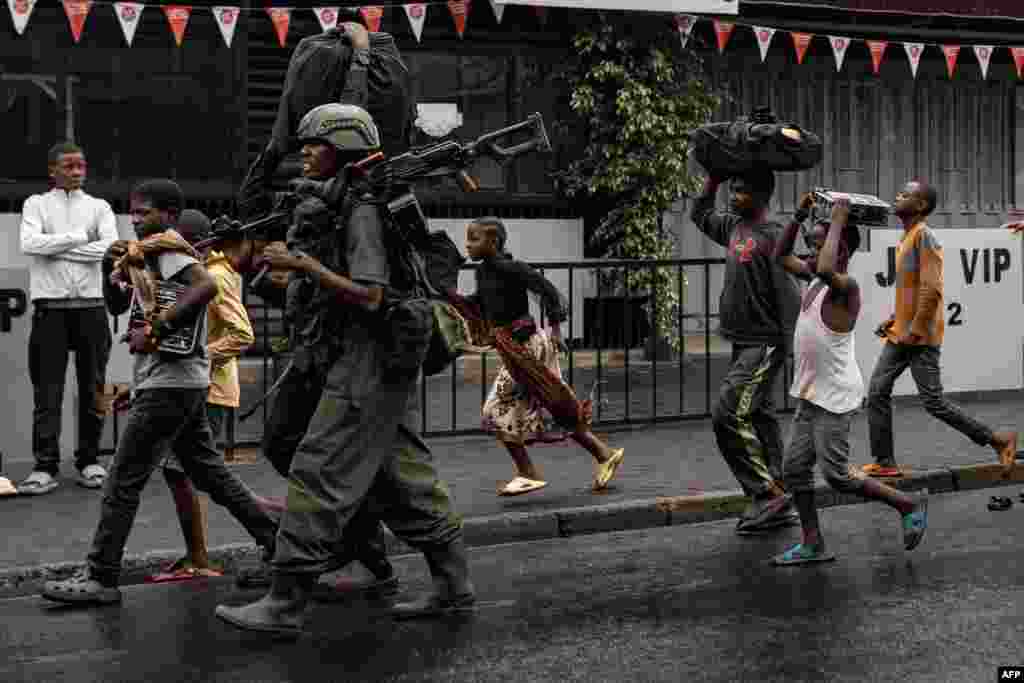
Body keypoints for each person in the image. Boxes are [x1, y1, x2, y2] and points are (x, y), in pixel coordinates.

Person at [215, 104, 474, 635]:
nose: (303, 153)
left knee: (321, 466)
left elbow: (371, 295)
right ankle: (452, 583)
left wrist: (304, 264)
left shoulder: (362, 208)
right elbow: (316, 291)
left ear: (343, 150)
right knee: (399, 475)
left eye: (315, 144)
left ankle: (285, 604)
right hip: (356, 352)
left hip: (373, 354)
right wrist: (258, 268)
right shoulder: (335, 202)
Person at [40, 179, 278, 605]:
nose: (134, 219)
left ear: (168, 216)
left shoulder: (168, 251)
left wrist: (158, 328)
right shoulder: (147, 258)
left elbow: (203, 289)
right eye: (131, 212)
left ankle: (101, 574)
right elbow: (117, 307)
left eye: (143, 212)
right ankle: (280, 546)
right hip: (176, 384)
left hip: (171, 384)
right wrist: (106, 266)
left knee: (123, 479)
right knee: (210, 474)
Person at [769, 196, 928, 565]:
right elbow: (780, 257)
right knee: (795, 470)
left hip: (835, 396)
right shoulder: (815, 278)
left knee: (837, 476)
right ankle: (813, 544)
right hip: (811, 394)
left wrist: (839, 218)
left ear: (841, 249)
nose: (812, 244)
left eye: (821, 241)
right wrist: (796, 216)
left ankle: (906, 503)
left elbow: (827, 266)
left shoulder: (846, 286)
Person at [456, 217, 624, 496]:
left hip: (530, 349)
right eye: (468, 239)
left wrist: (556, 330)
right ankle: (604, 454)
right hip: (516, 351)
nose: (468, 245)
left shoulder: (511, 268)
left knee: (493, 410)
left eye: (474, 239)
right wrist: (450, 296)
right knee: (555, 406)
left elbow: (546, 290)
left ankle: (528, 473)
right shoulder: (484, 272)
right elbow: (481, 302)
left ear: (493, 242)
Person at [863, 180, 1017, 478]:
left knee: (933, 402)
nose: (898, 196)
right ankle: (884, 462)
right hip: (902, 334)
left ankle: (998, 439)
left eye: (905, 194)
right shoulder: (907, 237)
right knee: (877, 392)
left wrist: (916, 329)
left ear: (920, 206)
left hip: (919, 337)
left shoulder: (925, 236)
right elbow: (913, 289)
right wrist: (895, 319)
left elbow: (932, 289)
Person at [146, 209, 257, 582]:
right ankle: (200, 555)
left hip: (210, 389)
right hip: (196, 387)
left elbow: (242, 334)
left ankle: (204, 556)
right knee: (196, 476)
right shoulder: (192, 274)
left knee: (195, 476)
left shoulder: (216, 277)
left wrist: (199, 357)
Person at [689, 171, 801, 535]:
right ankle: (779, 494)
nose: (734, 195)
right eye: (733, 189)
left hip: (765, 342)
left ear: (762, 194)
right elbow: (700, 214)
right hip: (741, 340)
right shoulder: (734, 228)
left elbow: (790, 296)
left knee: (728, 414)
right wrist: (713, 179)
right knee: (760, 415)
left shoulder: (773, 236)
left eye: (741, 190)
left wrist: (788, 347)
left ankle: (767, 494)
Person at [18, 142, 117, 495]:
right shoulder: (36, 204)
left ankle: (89, 461)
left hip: (91, 308)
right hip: (50, 311)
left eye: (81, 166)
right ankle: (44, 467)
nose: (76, 172)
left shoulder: (99, 207)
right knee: (48, 392)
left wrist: (56, 246)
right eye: (69, 166)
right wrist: (79, 239)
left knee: (93, 389)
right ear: (53, 170)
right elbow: (29, 244)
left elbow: (108, 249)